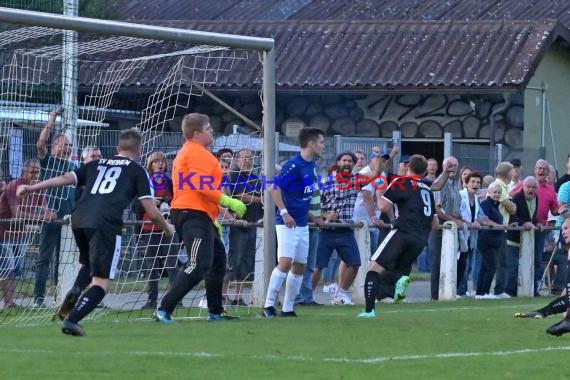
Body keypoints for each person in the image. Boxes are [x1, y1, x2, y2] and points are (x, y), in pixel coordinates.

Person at [17, 129, 175, 336]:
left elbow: (65, 178)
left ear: (118, 148)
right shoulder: (137, 170)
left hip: (79, 219)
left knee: (87, 266)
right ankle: (71, 321)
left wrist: (32, 188)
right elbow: (152, 211)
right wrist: (167, 227)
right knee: (101, 282)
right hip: (105, 223)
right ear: (140, 150)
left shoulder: (95, 164)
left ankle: (66, 308)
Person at [154, 113, 246, 324]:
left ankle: (215, 311)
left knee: (218, 261)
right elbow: (200, 186)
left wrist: (214, 217)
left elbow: (200, 189)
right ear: (197, 133)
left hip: (199, 214)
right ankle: (164, 309)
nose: (212, 131)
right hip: (190, 212)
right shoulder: (196, 153)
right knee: (198, 264)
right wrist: (228, 202)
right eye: (208, 128)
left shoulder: (195, 152)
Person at [358, 154, 437, 318]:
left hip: (402, 233)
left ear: (408, 168)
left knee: (372, 270)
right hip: (421, 239)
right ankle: (401, 282)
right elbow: (435, 224)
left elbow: (383, 205)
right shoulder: (428, 190)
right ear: (424, 172)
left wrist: (380, 192)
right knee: (396, 267)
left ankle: (368, 311)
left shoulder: (400, 182)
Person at [261, 127, 325, 318]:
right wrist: (284, 212)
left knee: (299, 266)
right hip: (286, 222)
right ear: (312, 144)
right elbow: (273, 187)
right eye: (321, 142)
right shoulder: (293, 165)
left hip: (302, 224)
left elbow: (303, 195)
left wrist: (313, 217)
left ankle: (288, 308)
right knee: (285, 262)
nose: (323, 146)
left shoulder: (312, 164)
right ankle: (268, 305)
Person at [311, 151, 386, 306]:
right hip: (327, 229)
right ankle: (306, 296)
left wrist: (379, 157)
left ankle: (341, 294)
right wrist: (325, 216)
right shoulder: (325, 182)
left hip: (345, 229)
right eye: (344, 160)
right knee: (318, 266)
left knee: (355, 263)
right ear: (338, 163)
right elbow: (313, 206)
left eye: (350, 161)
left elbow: (377, 173)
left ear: (353, 164)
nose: (347, 163)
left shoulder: (357, 180)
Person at [33, 109, 76, 307]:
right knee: (44, 258)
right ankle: (38, 299)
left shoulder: (73, 166)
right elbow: (40, 144)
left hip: (68, 218)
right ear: (55, 146)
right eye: (64, 145)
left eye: (69, 145)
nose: (68, 148)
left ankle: (61, 296)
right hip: (50, 216)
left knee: (63, 259)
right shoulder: (48, 161)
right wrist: (51, 119)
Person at [0, 159, 56, 309]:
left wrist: (50, 214)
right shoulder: (14, 186)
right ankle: (9, 304)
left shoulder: (39, 187)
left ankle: (10, 303)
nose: (36, 175)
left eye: (38, 172)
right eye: (33, 172)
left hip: (20, 233)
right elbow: (16, 213)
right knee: (7, 266)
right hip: (3, 231)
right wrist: (42, 217)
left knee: (16, 269)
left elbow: (44, 208)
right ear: (24, 172)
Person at [132, 151, 180, 310]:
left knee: (172, 264)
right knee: (152, 267)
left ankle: (176, 299)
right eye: (156, 161)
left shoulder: (171, 183)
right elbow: (135, 207)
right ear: (150, 165)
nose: (160, 164)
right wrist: (149, 201)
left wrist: (167, 202)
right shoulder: (144, 183)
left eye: (162, 161)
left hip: (168, 228)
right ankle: (151, 301)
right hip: (149, 228)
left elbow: (178, 202)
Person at [511, 159, 558, 295]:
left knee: (536, 261)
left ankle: (534, 289)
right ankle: (515, 288)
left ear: (548, 172)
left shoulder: (551, 190)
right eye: (539, 168)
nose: (541, 171)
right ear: (535, 170)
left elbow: (554, 210)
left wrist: (562, 209)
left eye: (544, 169)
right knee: (519, 260)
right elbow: (509, 198)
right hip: (522, 228)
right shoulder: (524, 184)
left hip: (539, 229)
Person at [224, 149, 263, 305]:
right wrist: (261, 199)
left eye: (250, 158)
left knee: (246, 262)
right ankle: (222, 294)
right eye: (244, 158)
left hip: (253, 224)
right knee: (232, 260)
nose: (248, 161)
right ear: (237, 160)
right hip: (236, 224)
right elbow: (240, 196)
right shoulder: (233, 176)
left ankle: (238, 297)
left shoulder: (256, 179)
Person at [429, 156, 463, 301]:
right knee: (438, 262)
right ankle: (435, 295)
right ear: (443, 167)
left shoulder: (455, 185)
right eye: (449, 164)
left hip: (452, 228)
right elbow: (438, 210)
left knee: (452, 261)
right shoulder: (440, 184)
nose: (452, 167)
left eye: (455, 164)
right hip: (439, 228)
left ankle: (448, 292)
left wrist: (463, 221)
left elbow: (456, 208)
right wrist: (455, 220)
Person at [504, 176, 538, 297]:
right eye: (528, 187)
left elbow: (532, 215)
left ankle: (526, 290)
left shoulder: (536, 198)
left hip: (527, 240)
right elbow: (512, 217)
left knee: (526, 265)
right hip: (513, 238)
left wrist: (537, 223)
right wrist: (523, 223)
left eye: (533, 187)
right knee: (512, 265)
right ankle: (509, 292)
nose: (531, 189)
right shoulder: (516, 198)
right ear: (523, 187)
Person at [490, 162, 517, 298]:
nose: (515, 173)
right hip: (497, 229)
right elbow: (512, 208)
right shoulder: (499, 186)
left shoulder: (505, 187)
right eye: (513, 170)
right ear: (508, 173)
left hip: (502, 229)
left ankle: (499, 290)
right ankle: (498, 291)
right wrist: (510, 204)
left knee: (502, 261)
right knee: (500, 262)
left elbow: (511, 207)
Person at [475, 183, 505, 298]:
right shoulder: (486, 203)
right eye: (494, 192)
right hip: (486, 239)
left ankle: (480, 293)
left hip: (495, 240)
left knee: (485, 266)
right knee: (491, 266)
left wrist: (505, 226)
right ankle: (485, 292)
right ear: (489, 192)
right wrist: (498, 225)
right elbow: (484, 218)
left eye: (498, 192)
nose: (497, 194)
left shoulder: (496, 205)